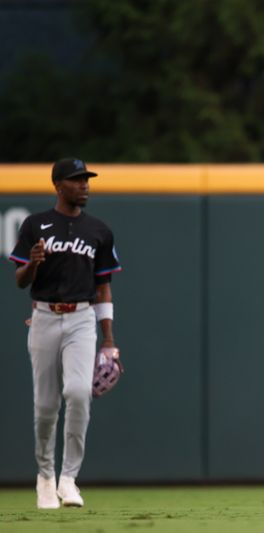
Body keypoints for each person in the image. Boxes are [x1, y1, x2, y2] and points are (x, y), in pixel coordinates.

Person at [8, 158, 122, 509]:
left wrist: (109, 340)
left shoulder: (99, 231)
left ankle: (69, 478)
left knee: (77, 392)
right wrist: (34, 263)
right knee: (45, 405)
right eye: (76, 180)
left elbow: (103, 288)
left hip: (82, 319)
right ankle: (45, 476)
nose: (84, 185)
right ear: (58, 185)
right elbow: (20, 281)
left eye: (86, 179)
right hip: (43, 316)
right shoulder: (34, 224)